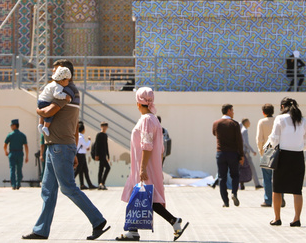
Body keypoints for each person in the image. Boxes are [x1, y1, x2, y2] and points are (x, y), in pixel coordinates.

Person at [22, 60, 110, 241]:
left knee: (68, 187)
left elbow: (47, 112)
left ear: (66, 74)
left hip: (60, 146)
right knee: (48, 189)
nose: (53, 75)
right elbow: (75, 126)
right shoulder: (66, 90)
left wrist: (38, 110)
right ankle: (41, 230)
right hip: (57, 145)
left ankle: (98, 221)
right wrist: (76, 150)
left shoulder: (67, 91)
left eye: (56, 71)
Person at [116, 87, 188, 242]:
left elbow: (146, 145)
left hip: (144, 166)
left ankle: (173, 221)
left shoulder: (147, 120)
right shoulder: (152, 119)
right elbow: (159, 148)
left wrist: (142, 168)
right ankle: (133, 230)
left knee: (147, 198)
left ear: (138, 102)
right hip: (146, 165)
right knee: (140, 197)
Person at [266, 98, 306, 227]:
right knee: (297, 189)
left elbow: (274, 139)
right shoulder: (303, 120)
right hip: (298, 157)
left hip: (283, 156)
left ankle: (277, 218)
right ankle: (296, 219)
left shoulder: (280, 119)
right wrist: (297, 147)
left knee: (277, 188)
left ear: (282, 106)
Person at [212, 103, 244, 207]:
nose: (233, 113)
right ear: (229, 111)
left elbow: (214, 133)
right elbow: (239, 141)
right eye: (232, 110)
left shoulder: (216, 123)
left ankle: (225, 201)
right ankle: (234, 192)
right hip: (233, 154)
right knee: (235, 175)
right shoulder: (234, 124)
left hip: (220, 153)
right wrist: (241, 155)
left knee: (222, 177)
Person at [37, 66, 76, 136]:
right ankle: (45, 126)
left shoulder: (51, 84)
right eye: (67, 81)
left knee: (42, 113)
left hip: (40, 100)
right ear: (61, 81)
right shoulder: (58, 87)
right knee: (50, 114)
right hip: (46, 102)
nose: (68, 82)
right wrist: (65, 96)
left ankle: (40, 124)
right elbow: (56, 95)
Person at [257, 103, 282, 208]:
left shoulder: (262, 122)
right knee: (279, 177)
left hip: (266, 151)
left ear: (263, 112)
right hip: (278, 150)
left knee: (266, 178)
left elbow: (259, 139)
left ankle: (268, 200)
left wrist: (261, 151)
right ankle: (281, 199)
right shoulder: (278, 121)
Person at [4, 119, 29, 190]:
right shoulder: (22, 135)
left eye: (12, 125)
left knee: (12, 169)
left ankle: (13, 184)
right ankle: (18, 183)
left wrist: (5, 151)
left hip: (12, 153)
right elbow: (26, 146)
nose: (11, 127)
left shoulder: (10, 135)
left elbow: (5, 145)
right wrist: (27, 156)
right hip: (20, 153)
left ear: (15, 126)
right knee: (19, 169)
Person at [240, 118, 262, 189]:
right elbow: (246, 142)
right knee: (252, 167)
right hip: (245, 152)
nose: (250, 123)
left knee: (241, 167)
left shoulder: (241, 129)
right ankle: (257, 184)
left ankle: (241, 184)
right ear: (246, 122)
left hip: (241, 151)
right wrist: (253, 151)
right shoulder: (245, 130)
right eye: (249, 122)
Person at [76, 121, 95, 190]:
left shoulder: (78, 136)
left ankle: (84, 184)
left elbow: (82, 146)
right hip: (80, 155)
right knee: (78, 170)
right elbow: (86, 145)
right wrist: (89, 140)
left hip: (81, 154)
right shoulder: (80, 137)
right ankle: (70, 182)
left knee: (83, 170)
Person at [93, 121, 111, 190]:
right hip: (100, 154)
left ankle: (100, 184)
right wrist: (96, 155)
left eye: (105, 126)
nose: (104, 127)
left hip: (104, 154)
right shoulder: (99, 134)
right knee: (107, 168)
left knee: (101, 169)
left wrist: (108, 155)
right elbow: (97, 145)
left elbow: (106, 146)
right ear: (101, 127)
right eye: (103, 126)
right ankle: (101, 183)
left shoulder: (105, 135)